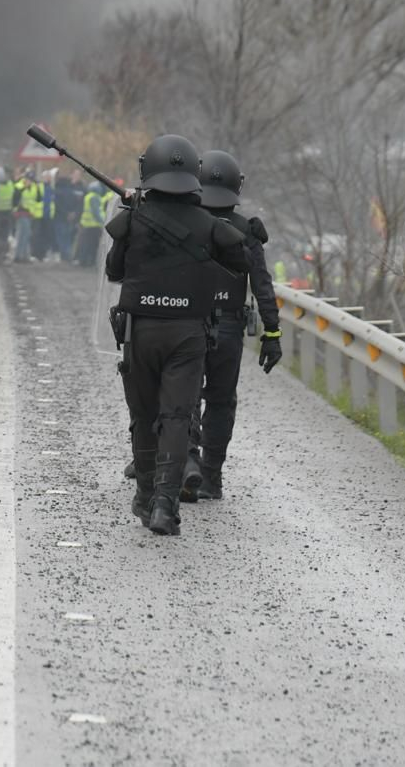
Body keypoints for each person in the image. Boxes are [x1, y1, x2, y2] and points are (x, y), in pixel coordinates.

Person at [104, 133, 248, 536]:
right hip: (188, 335)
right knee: (177, 417)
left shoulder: (134, 219)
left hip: (141, 331)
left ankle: (145, 495)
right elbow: (239, 263)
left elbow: (114, 271)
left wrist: (136, 215)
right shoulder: (209, 224)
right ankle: (165, 507)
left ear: (147, 169)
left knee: (144, 415)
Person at [185, 150, 281, 501]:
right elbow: (262, 286)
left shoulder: (187, 222)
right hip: (229, 328)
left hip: (189, 323)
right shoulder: (247, 230)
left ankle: (187, 464)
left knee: (185, 396)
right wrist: (272, 334)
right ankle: (212, 477)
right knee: (222, 401)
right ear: (235, 186)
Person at [13, 170, 39, 263]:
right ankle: (19, 256)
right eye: (28, 179)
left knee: (26, 235)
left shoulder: (34, 187)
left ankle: (23, 255)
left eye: (31, 180)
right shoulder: (19, 187)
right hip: (21, 213)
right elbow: (14, 201)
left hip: (29, 214)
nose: (29, 181)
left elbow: (37, 200)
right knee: (23, 235)